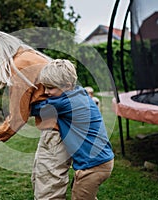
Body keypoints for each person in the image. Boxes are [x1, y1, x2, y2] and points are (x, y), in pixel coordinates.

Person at [0, 30, 71, 199]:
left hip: (57, 130)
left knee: (48, 192)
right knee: (43, 179)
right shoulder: (29, 55)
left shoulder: (19, 67)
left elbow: (18, 118)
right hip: (63, 127)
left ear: (2, 50)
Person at [31, 59, 114, 200]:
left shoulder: (66, 102)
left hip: (93, 167)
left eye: (50, 88)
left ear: (67, 85)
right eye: (44, 87)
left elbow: (35, 109)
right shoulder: (79, 93)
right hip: (101, 161)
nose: (45, 92)